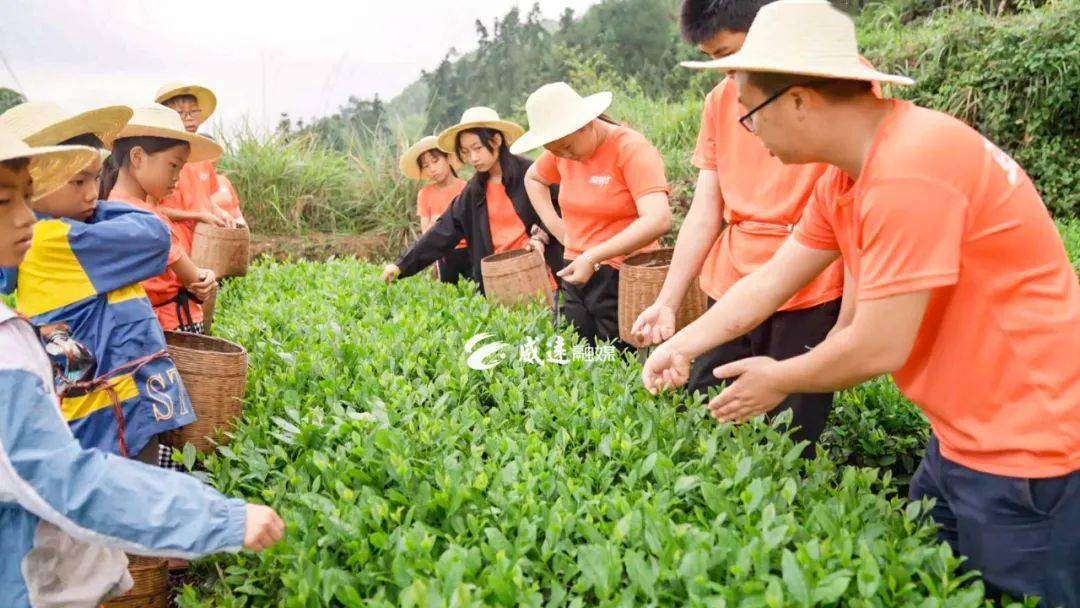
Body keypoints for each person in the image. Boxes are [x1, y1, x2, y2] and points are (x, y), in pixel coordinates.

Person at [643, 1, 1080, 603]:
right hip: (960, 433)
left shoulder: (909, 172)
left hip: (1027, 447)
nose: (750, 133)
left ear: (797, 100)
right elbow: (769, 283)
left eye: (749, 116)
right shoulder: (847, 176)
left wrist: (779, 378)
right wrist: (680, 344)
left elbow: (878, 343)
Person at [0, 126, 284, 608]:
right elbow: (63, 478)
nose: (24, 216)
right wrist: (220, 520)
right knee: (122, 507)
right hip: (103, 414)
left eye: (25, 198)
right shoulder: (54, 243)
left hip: (109, 406)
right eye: (8, 201)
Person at [632, 0, 872, 452]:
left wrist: (847, 322)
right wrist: (669, 304)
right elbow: (705, 210)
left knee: (790, 440)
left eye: (728, 53)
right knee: (706, 419)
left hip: (811, 288)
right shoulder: (722, 99)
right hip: (734, 282)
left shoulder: (844, 81)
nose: (726, 73)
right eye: (714, 59)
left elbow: (861, 218)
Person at [0, 101, 196, 469]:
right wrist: (104, 209)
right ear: (35, 187)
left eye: (95, 177)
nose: (93, 193)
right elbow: (154, 235)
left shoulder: (64, 233)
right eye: (79, 181)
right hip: (113, 414)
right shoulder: (57, 238)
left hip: (96, 408)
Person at [513, 82, 672, 349]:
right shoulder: (562, 153)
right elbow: (534, 178)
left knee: (623, 357)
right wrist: (558, 229)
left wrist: (595, 255)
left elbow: (658, 218)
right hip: (577, 267)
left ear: (586, 124)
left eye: (567, 147)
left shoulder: (630, 148)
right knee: (585, 354)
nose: (564, 156)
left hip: (625, 274)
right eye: (554, 151)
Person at [381, 107, 564, 291]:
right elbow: (442, 231)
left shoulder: (530, 174)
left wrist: (540, 237)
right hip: (498, 281)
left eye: (477, 148)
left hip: (542, 275)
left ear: (496, 140)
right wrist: (401, 265)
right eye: (466, 152)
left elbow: (561, 207)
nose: (473, 158)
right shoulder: (474, 191)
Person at [102, 104, 219, 333]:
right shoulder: (150, 220)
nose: (177, 178)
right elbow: (195, 280)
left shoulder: (107, 207)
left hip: (132, 330)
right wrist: (208, 276)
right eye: (173, 165)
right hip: (170, 328)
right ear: (137, 157)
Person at [155, 82, 236, 254]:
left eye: (193, 111)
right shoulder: (158, 159)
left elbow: (205, 201)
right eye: (180, 113)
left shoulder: (202, 157)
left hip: (202, 247)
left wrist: (220, 212)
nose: (189, 117)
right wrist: (198, 216)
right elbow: (152, 209)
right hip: (171, 250)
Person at [399, 135, 468, 284]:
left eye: (435, 161)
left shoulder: (465, 188)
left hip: (470, 250)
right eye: (426, 165)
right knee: (448, 293)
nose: (432, 169)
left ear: (448, 158)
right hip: (444, 254)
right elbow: (427, 233)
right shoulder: (424, 194)